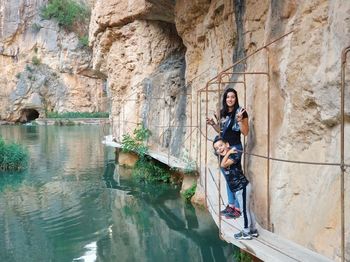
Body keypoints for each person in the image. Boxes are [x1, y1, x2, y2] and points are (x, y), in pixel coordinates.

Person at [206, 88, 249, 218]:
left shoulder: (241, 112)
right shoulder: (223, 113)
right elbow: (222, 132)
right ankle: (231, 206)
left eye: (233, 97)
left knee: (234, 178)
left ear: (236, 99)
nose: (230, 99)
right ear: (225, 99)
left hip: (234, 148)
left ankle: (237, 208)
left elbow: (245, 132)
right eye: (228, 97)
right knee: (228, 178)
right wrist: (213, 124)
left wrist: (240, 120)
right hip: (223, 149)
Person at [213, 137, 258, 240]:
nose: (219, 148)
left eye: (221, 145)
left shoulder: (234, 154)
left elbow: (223, 165)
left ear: (227, 144)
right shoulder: (223, 155)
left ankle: (246, 232)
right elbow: (221, 160)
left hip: (241, 186)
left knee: (244, 211)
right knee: (247, 209)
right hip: (239, 188)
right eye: (217, 148)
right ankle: (253, 230)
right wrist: (224, 152)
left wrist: (228, 152)